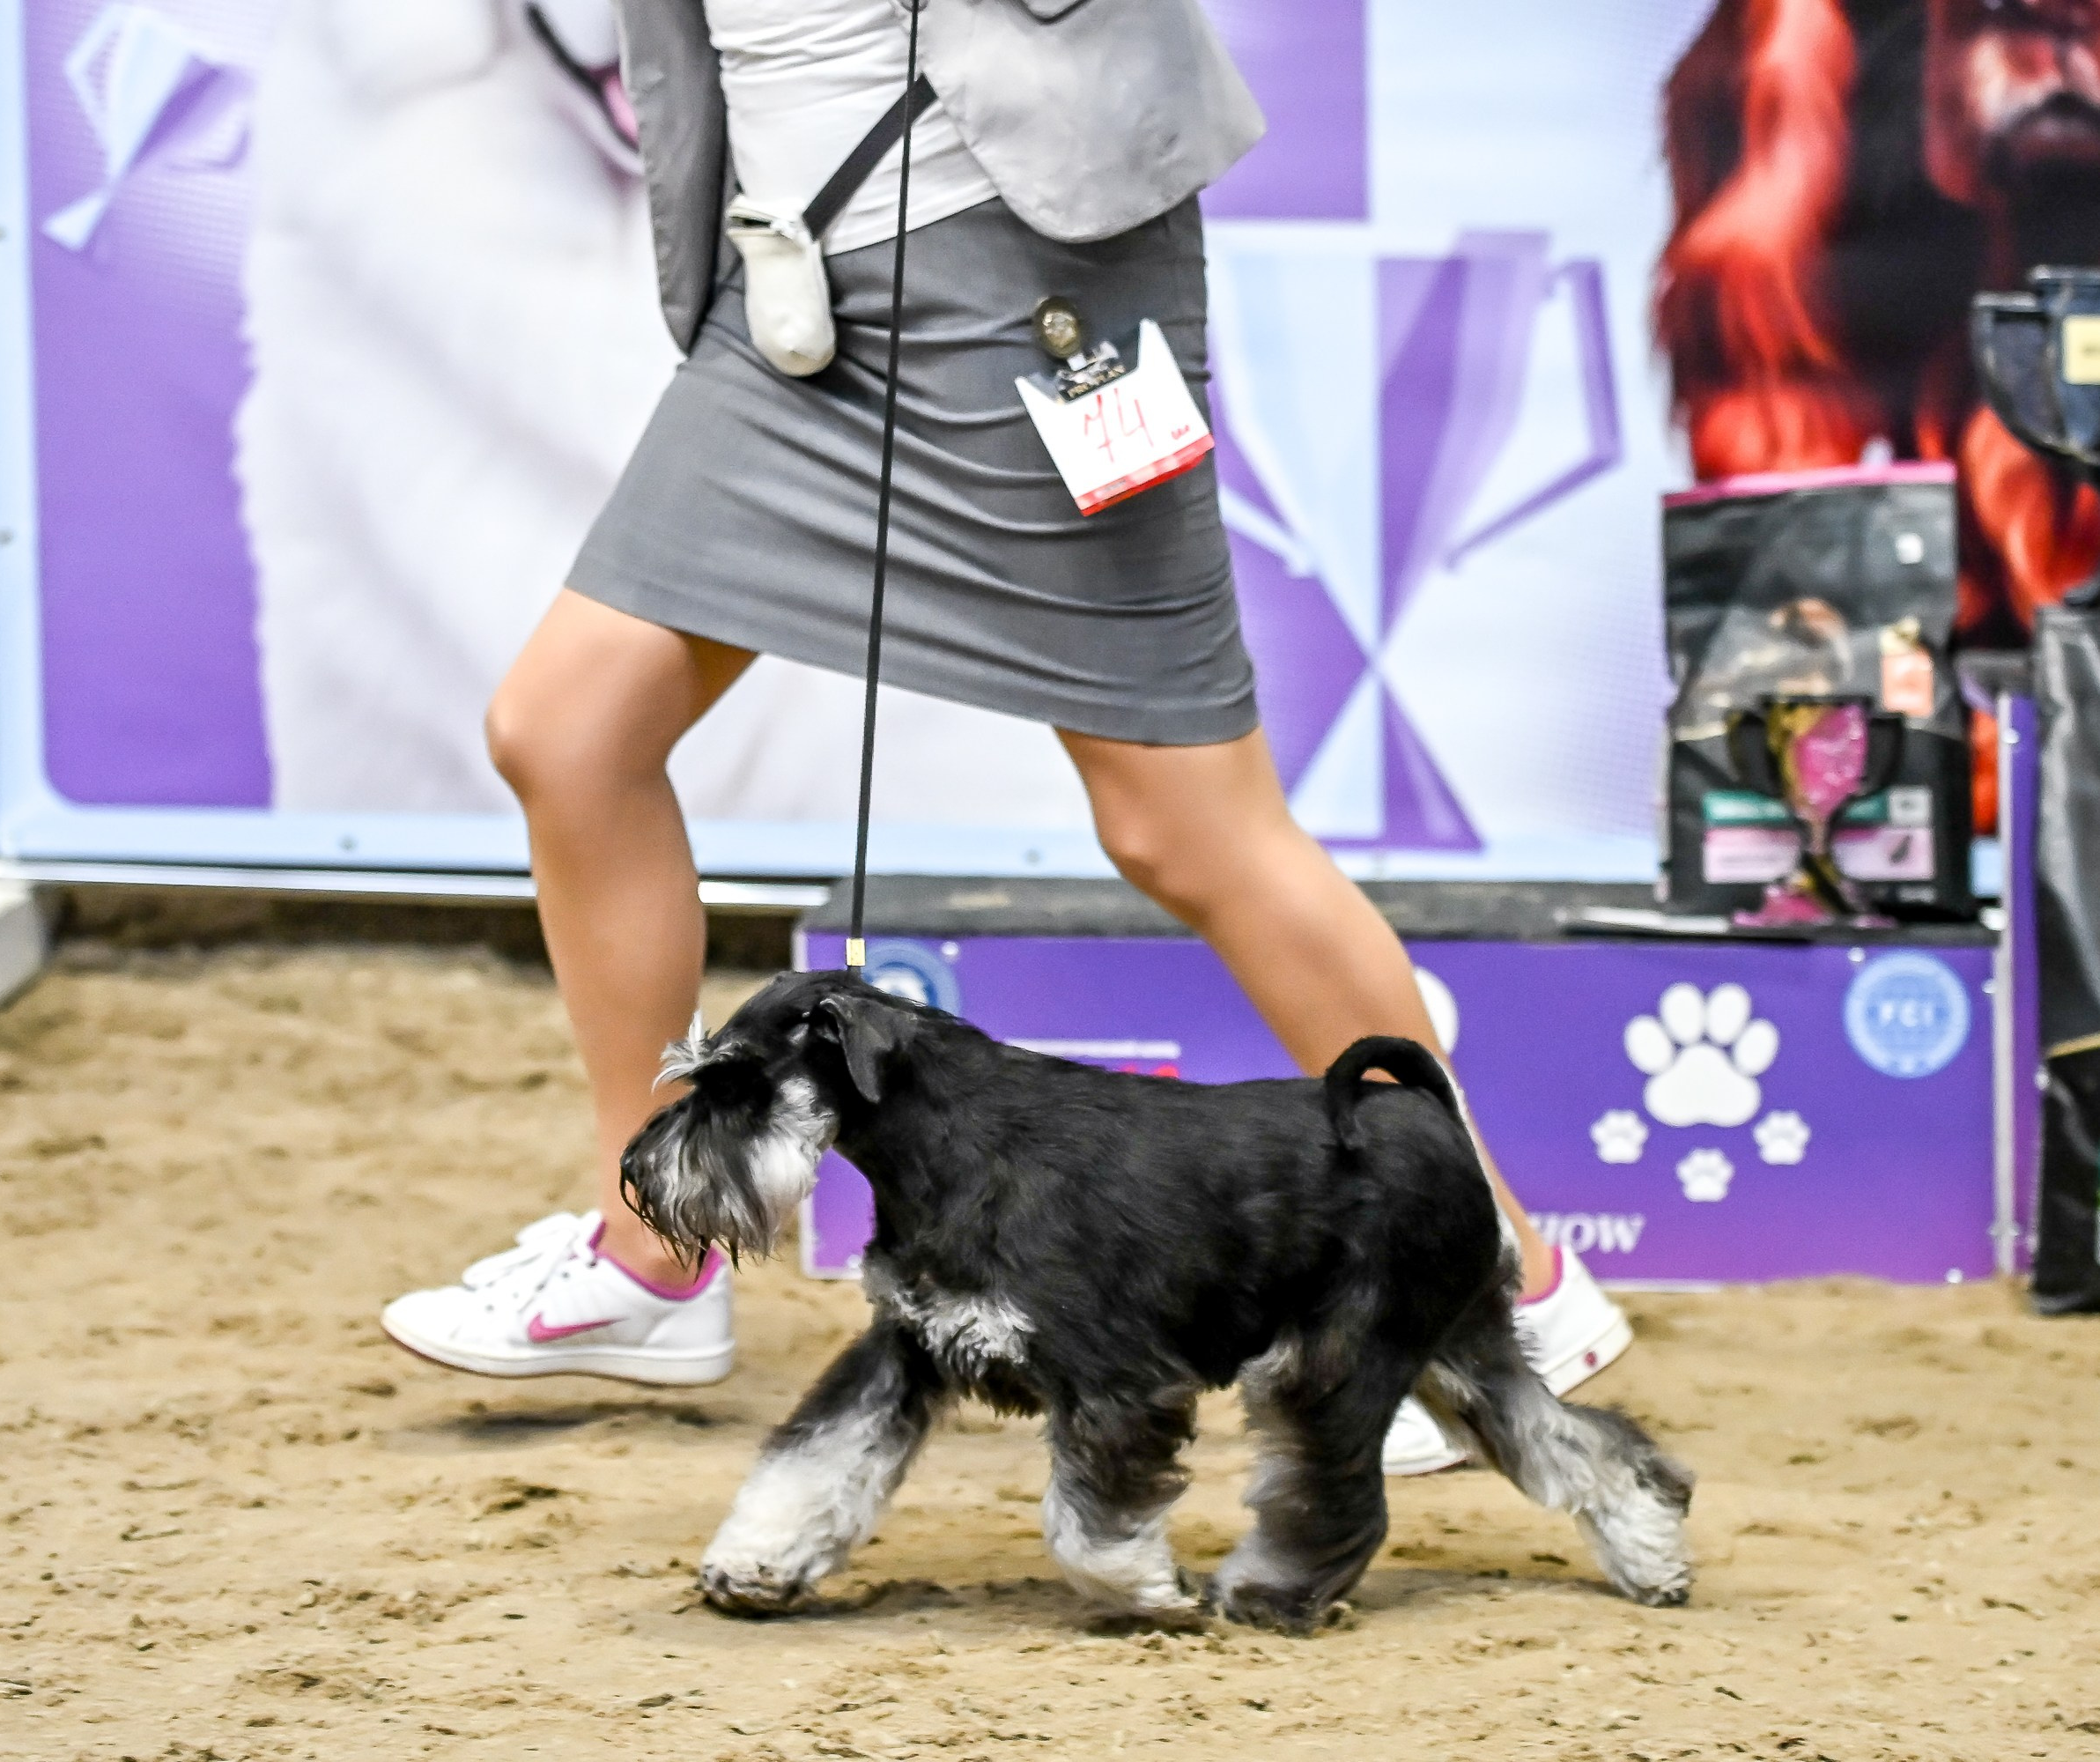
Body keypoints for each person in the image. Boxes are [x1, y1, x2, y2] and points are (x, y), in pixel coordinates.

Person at [381, 0, 1632, 1475]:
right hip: (790, 273)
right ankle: (655, 1244)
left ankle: (1502, 1279)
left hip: (1024, 264)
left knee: (1184, 822)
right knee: (568, 729)